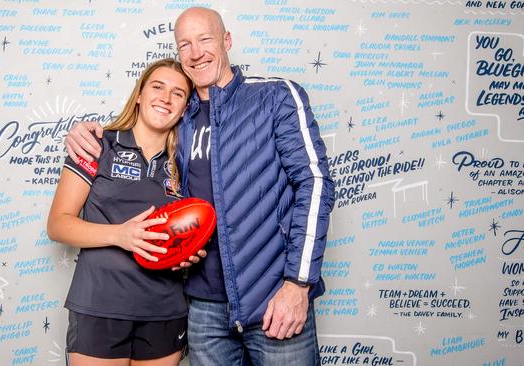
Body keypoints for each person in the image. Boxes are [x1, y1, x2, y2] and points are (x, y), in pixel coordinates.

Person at [65, 7, 335, 366]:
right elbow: (143, 126)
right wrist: (85, 129)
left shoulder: (274, 97)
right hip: (203, 309)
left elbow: (314, 184)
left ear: (227, 41)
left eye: (205, 39)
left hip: (273, 298)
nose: (195, 52)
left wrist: (298, 284)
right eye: (184, 44)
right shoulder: (180, 115)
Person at [48, 58, 194, 366]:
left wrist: (191, 252)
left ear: (185, 107)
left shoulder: (187, 164)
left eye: (178, 93)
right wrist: (119, 235)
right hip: (100, 306)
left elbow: (190, 231)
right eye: (157, 87)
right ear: (139, 94)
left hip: (165, 310)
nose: (165, 98)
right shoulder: (97, 145)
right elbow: (58, 225)